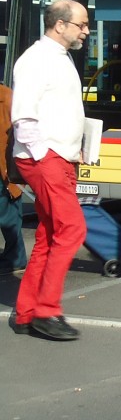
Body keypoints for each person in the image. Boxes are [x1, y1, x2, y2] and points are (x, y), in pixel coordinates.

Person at [11, 0, 90, 341]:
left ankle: (28, 311)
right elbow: (23, 115)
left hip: (56, 157)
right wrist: (47, 156)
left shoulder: (56, 57)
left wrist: (75, 148)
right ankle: (46, 311)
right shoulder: (38, 59)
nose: (86, 31)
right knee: (72, 230)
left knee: (49, 233)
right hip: (47, 159)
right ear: (60, 25)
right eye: (81, 25)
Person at [0, 82, 29, 276]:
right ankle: (14, 257)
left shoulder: (8, 97)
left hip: (5, 169)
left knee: (8, 216)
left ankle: (15, 258)